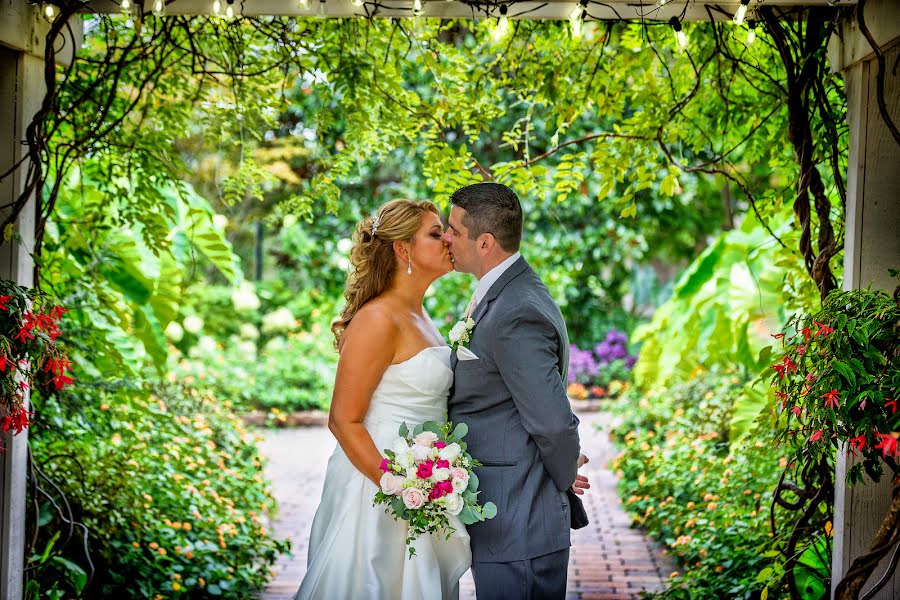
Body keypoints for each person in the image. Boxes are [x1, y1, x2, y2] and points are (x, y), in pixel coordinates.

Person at [295, 199, 471, 600]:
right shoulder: (378, 318)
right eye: (434, 232)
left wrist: (428, 485)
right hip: (377, 490)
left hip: (421, 484)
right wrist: (401, 488)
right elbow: (343, 420)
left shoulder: (420, 316)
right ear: (401, 248)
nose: (447, 238)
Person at [443, 182, 589, 600]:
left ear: (485, 242)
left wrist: (561, 475)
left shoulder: (516, 311)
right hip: (508, 518)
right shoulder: (505, 294)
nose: (446, 236)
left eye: (453, 228)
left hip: (518, 519)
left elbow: (554, 424)